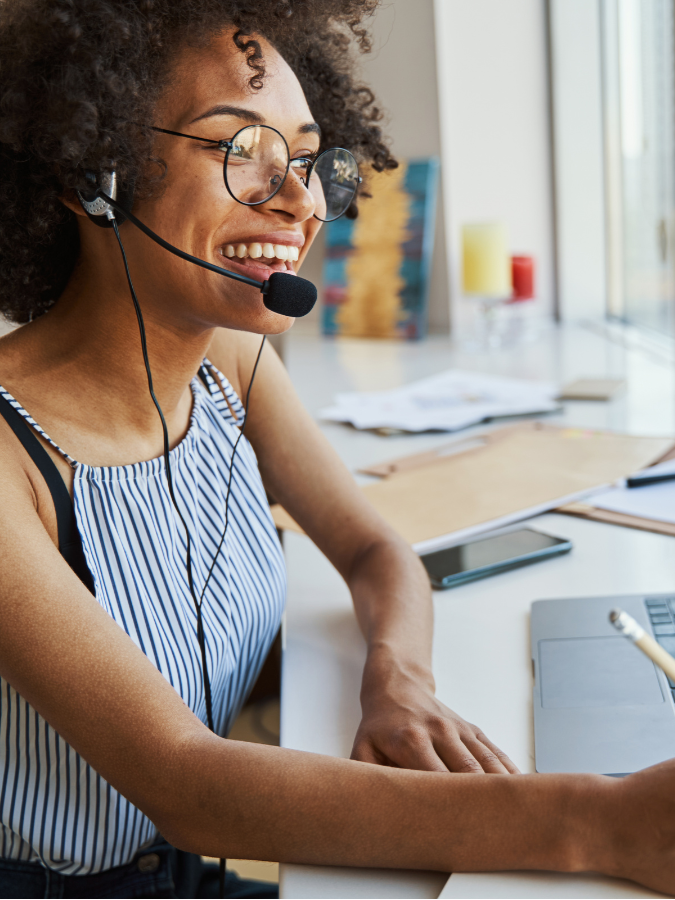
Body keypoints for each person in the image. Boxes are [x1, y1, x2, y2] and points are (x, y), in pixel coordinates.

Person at [0, 1, 673, 897]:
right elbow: (185, 781)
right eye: (242, 150)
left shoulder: (232, 364)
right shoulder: (12, 456)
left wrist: (399, 681)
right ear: (91, 174)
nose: (301, 201)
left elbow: (370, 547)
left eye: (308, 159)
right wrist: (598, 825)